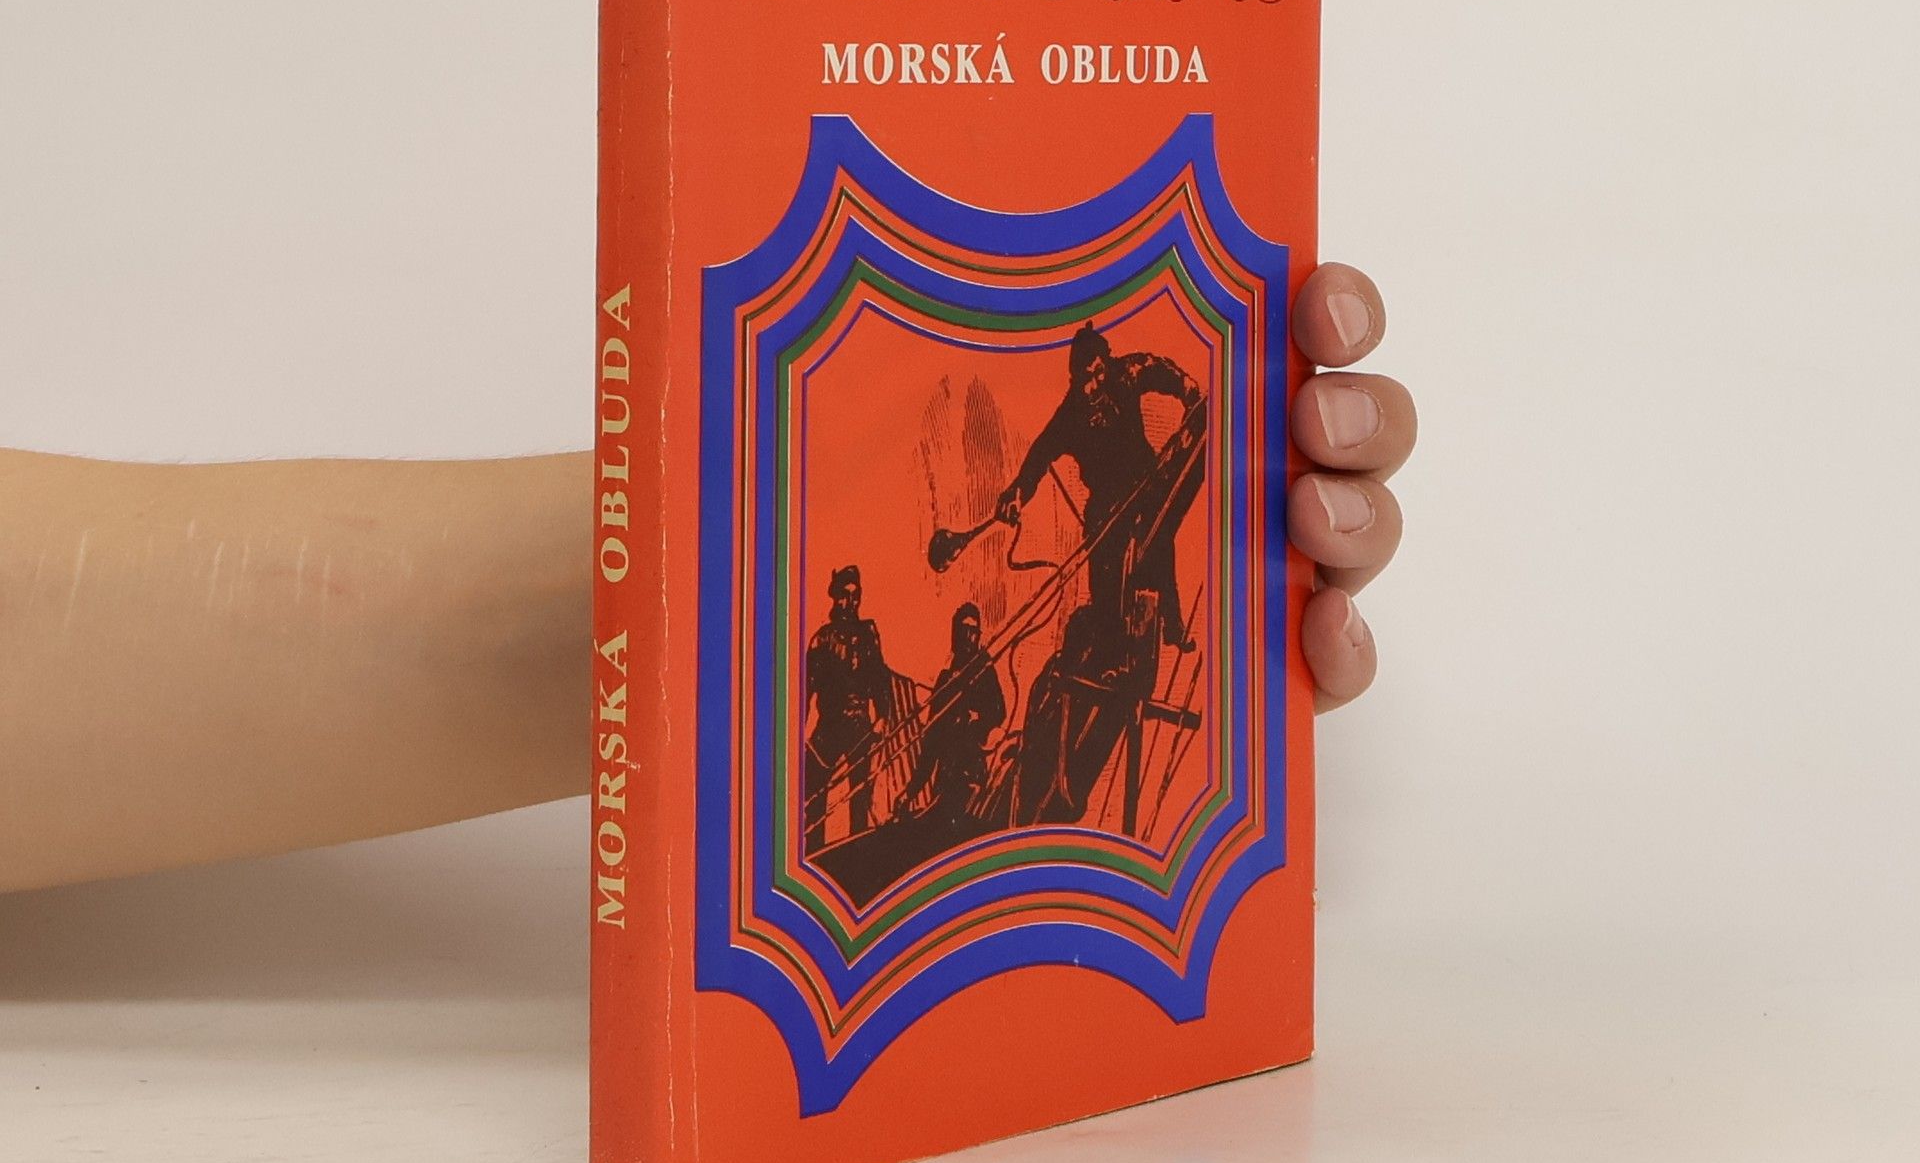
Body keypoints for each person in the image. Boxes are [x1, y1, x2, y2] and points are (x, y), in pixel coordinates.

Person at [0, 265, 1412, 893]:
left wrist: (1215, 405)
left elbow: (1162, 392)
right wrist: (939, 543)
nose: (1094, 383)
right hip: (895, 679)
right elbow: (1028, 480)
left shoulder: (1132, 381)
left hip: (1143, 536)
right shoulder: (1063, 430)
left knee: (1143, 594)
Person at [995, 321, 1205, 653]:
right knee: (1104, 571)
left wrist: (1188, 389)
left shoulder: (1126, 373)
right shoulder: (1071, 414)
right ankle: (1108, 646)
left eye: (1097, 375)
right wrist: (1017, 494)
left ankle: (1171, 620)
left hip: (1146, 481)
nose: (1091, 387)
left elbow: (1160, 370)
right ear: (1074, 379)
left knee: (1159, 534)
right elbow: (1040, 453)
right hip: (1106, 502)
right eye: (1083, 380)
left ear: (1106, 364)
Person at [801, 564, 893, 853]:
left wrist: (882, 717)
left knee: (860, 794)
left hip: (859, 724)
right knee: (813, 788)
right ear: (834, 596)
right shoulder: (821, 639)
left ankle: (858, 853)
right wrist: (797, 730)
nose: (850, 602)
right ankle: (814, 852)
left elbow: (880, 678)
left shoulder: (868, 634)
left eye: (855, 595)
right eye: (844, 595)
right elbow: (806, 690)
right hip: (829, 724)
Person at [896, 602, 1007, 827]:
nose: (969, 637)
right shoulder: (946, 679)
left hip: (971, 777)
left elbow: (999, 711)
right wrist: (910, 791)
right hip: (945, 779)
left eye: (973, 631)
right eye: (963, 630)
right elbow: (931, 745)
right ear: (955, 634)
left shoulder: (984, 671)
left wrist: (978, 719)